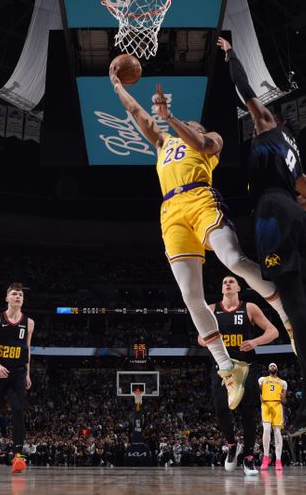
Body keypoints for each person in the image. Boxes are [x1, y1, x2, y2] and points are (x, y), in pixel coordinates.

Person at [109, 67, 295, 410]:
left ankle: (286, 313)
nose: (189, 126)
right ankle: (227, 368)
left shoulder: (212, 140)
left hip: (201, 200)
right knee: (191, 297)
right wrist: (117, 85)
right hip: (171, 212)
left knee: (233, 259)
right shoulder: (163, 142)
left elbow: (200, 142)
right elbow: (136, 112)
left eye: (191, 124)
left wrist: (170, 117)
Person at [217, 36, 306, 445]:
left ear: (271, 120)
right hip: (290, 212)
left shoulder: (268, 127)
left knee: (292, 304)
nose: (256, 118)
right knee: (296, 301)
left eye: (261, 117)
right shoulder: (294, 153)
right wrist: (291, 209)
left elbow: (244, 89)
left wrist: (231, 55)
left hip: (273, 211)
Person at [198, 275, 278, 476]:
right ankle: (232, 445)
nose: (227, 283)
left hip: (246, 367)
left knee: (248, 413)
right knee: (220, 408)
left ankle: (249, 457)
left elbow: (273, 331)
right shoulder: (211, 309)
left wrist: (255, 341)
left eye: (231, 281)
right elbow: (200, 338)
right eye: (224, 282)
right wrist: (211, 341)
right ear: (221, 289)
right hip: (223, 369)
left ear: (239, 288)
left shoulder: (249, 307)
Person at [0, 282, 34, 475]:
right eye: (14, 294)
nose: (18, 296)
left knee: (18, 411)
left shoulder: (29, 323)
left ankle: (18, 455)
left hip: (17, 373)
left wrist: (27, 373)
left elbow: (27, 350)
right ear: (7, 298)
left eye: (21, 295)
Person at [259, 362, 287, 471]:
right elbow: (257, 390)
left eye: (274, 365)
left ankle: (278, 460)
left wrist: (283, 398)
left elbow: (284, 400)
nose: (272, 366)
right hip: (266, 405)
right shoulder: (262, 379)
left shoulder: (283, 382)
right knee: (266, 430)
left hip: (277, 405)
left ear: (277, 369)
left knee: (277, 432)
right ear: (268, 369)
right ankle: (266, 457)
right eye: (270, 366)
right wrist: (259, 397)